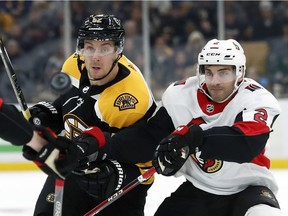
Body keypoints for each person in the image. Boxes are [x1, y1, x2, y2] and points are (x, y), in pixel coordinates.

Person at [52, 38, 283, 215]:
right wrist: (102, 141)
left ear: (239, 73)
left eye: (224, 72)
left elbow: (247, 143)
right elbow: (149, 137)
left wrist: (194, 137)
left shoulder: (256, 99)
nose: (214, 81)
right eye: (209, 72)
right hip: (199, 191)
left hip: (250, 189)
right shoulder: (182, 94)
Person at [28, 14, 157, 216]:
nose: (95, 56)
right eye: (89, 47)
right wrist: (47, 113)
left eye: (105, 48)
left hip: (118, 182)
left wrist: (116, 174)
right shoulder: (74, 65)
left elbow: (147, 159)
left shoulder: (129, 99)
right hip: (74, 165)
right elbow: (68, 104)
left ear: (118, 51)